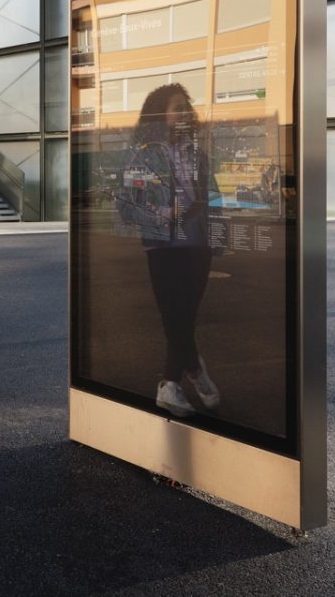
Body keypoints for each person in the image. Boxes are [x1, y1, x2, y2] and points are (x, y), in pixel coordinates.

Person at [123, 83, 220, 418]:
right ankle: (173, 380)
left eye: (187, 107)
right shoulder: (145, 154)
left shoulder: (199, 154)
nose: (185, 113)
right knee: (175, 315)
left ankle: (185, 372)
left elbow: (212, 201)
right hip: (163, 246)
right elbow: (129, 208)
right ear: (159, 114)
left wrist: (218, 239)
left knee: (186, 314)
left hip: (198, 244)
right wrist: (165, 213)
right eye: (177, 107)